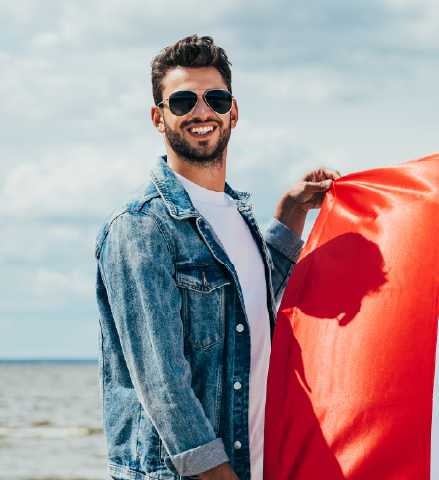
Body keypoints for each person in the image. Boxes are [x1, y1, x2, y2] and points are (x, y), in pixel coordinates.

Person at [94, 35, 340, 480]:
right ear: (158, 117)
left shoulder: (237, 215)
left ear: (234, 111)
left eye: (215, 98)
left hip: (258, 465)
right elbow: (163, 384)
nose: (201, 112)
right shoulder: (141, 227)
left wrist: (291, 210)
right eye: (183, 100)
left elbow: (249, 308)